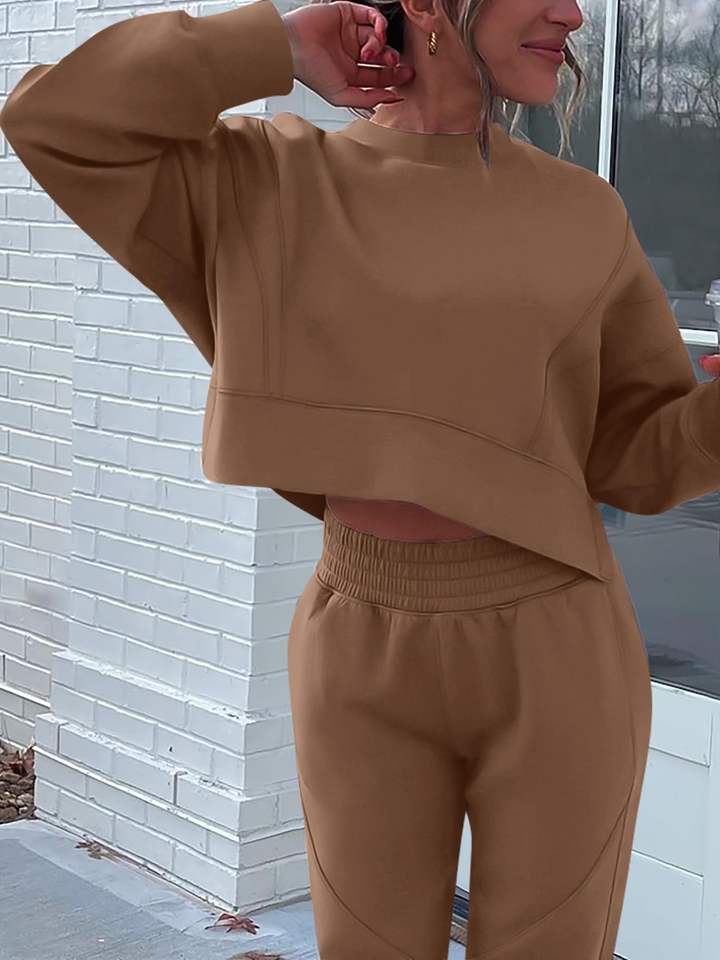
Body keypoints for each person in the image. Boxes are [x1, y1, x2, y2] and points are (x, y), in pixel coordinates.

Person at [3, 2, 719, 958]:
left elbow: (636, 455)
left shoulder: (585, 213)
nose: (574, 13)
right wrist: (276, 44)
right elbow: (56, 118)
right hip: (357, 639)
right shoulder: (272, 180)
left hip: (560, 643)